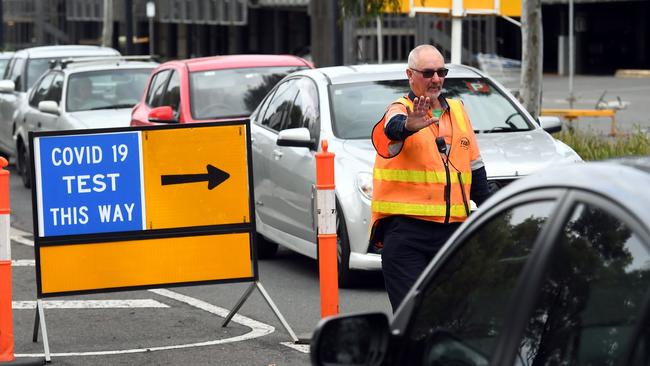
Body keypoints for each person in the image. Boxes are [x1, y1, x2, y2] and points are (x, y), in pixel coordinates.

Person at [370, 44, 491, 312]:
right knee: (414, 318)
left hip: (451, 235)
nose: (436, 79)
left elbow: (477, 172)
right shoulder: (399, 109)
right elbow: (391, 130)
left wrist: (500, 214)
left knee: (454, 316)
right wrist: (408, 126)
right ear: (410, 75)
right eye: (427, 73)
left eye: (441, 72)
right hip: (406, 236)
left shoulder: (457, 111)